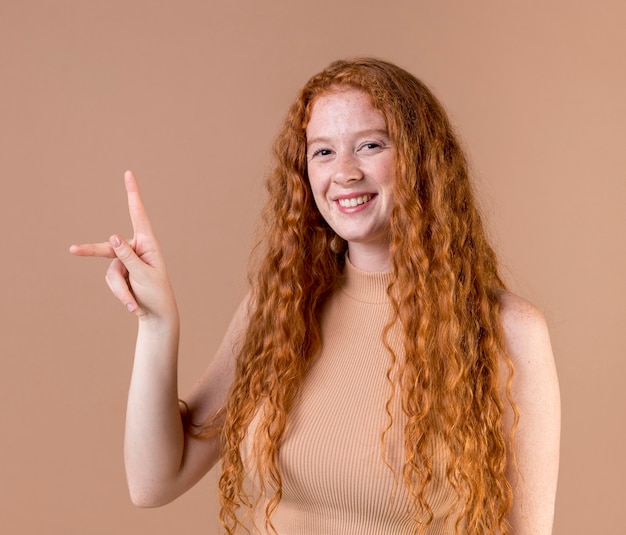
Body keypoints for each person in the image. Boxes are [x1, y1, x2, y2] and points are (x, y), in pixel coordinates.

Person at [70, 58, 560, 534]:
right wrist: (156, 323)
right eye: (322, 152)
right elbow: (154, 481)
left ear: (421, 159)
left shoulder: (507, 330)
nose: (343, 172)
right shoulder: (281, 311)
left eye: (370, 145)